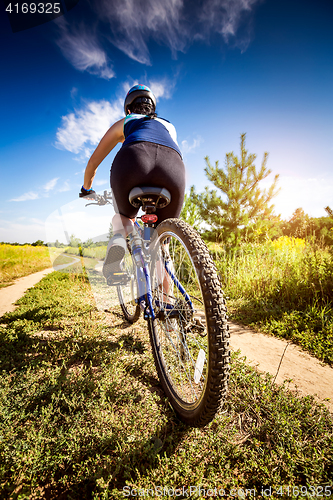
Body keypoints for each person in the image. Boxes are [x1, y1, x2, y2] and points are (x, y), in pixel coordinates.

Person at [80, 84, 186, 285]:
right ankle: (168, 304)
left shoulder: (126, 121)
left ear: (129, 109)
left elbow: (93, 162)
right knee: (162, 241)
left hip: (133, 160)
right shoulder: (169, 126)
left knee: (122, 219)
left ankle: (114, 264)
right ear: (153, 108)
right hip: (173, 167)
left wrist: (87, 189)